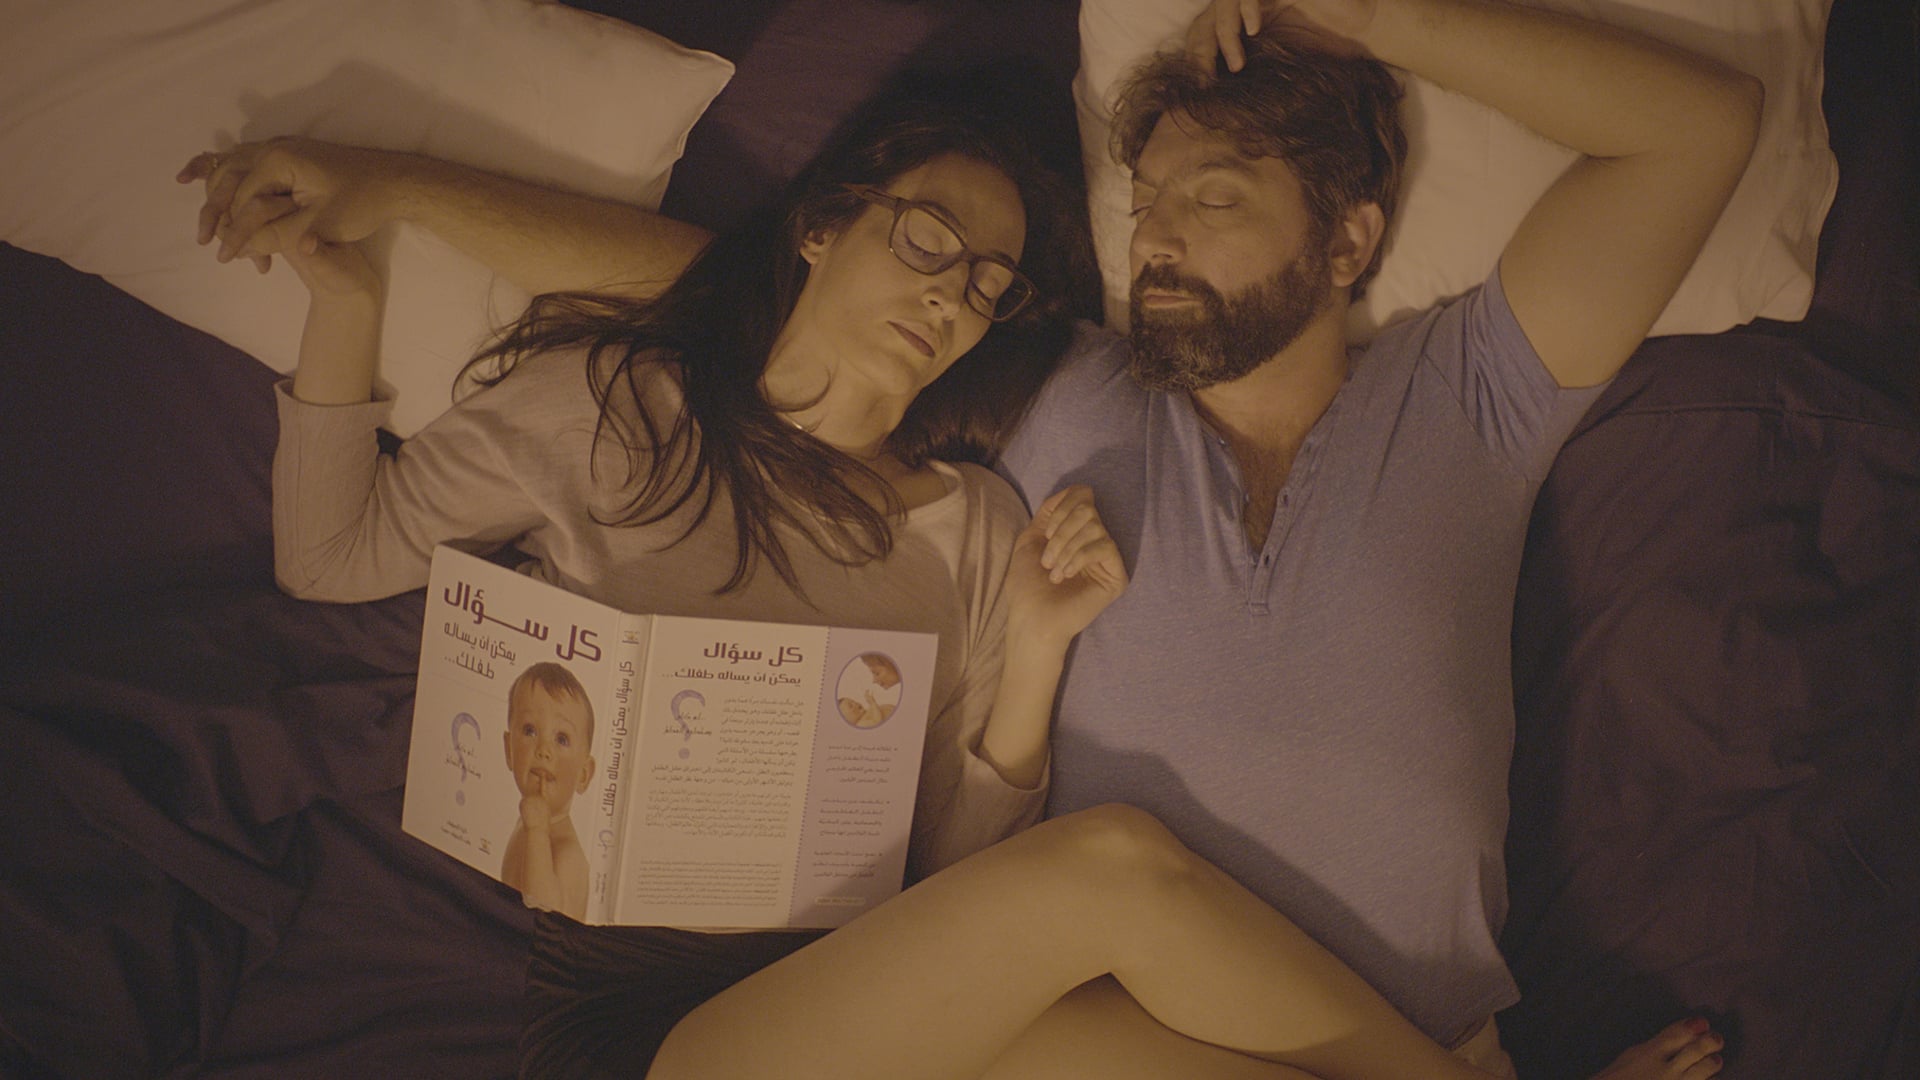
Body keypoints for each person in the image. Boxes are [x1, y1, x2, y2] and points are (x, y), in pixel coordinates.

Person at [181, 2, 1752, 1074]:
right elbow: (740, 291)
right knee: (1102, 889)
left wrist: (1363, 11)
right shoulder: (1063, 389)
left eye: (1212, 200)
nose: (1158, 240)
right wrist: (391, 188)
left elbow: (1699, 130)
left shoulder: (1476, 394)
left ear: (1349, 240)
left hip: (1362, 1032)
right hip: (1075, 1027)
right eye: (1146, 206)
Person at [499, 661, 598, 921]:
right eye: (530, 731)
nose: (544, 750)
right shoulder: (526, 823)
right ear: (509, 750)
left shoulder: (568, 855)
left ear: (584, 775)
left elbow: (543, 911)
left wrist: (538, 832)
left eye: (561, 739)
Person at [838, 651, 904, 727]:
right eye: (850, 706)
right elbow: (877, 721)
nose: (856, 703)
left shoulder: (867, 714)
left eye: (854, 702)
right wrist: (872, 703)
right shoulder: (862, 724)